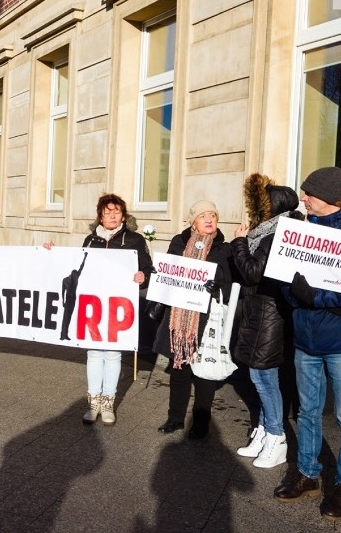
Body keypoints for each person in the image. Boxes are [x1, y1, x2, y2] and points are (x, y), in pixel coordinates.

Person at [273, 167, 341, 521]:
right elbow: (286, 277)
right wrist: (294, 294)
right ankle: (307, 473)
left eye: (309, 194)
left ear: (333, 199)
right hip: (306, 339)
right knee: (307, 411)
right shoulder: (303, 230)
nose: (303, 198)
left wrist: (316, 296)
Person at [45, 193, 154, 426]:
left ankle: (108, 404)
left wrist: (142, 276)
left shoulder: (134, 239)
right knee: (94, 353)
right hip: (94, 304)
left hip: (119, 305)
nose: (112, 215)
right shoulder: (90, 240)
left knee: (113, 353)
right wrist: (54, 255)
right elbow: (76, 267)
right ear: (100, 216)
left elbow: (148, 269)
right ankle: (93, 403)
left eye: (116, 211)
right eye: (107, 212)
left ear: (123, 216)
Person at [230, 174, 303, 468]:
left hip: (269, 314)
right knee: (259, 376)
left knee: (264, 377)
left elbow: (252, 272)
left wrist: (238, 242)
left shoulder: (277, 234)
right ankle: (263, 431)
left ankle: (277, 437)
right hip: (258, 312)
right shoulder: (268, 232)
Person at [154, 200, 232, 439]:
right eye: (203, 216)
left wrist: (215, 281)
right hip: (180, 316)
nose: (209, 219)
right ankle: (175, 418)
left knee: (204, 372)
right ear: (193, 221)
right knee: (180, 367)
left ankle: (200, 423)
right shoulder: (179, 242)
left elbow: (228, 285)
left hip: (207, 316)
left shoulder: (223, 248)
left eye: (213, 215)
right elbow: (167, 273)